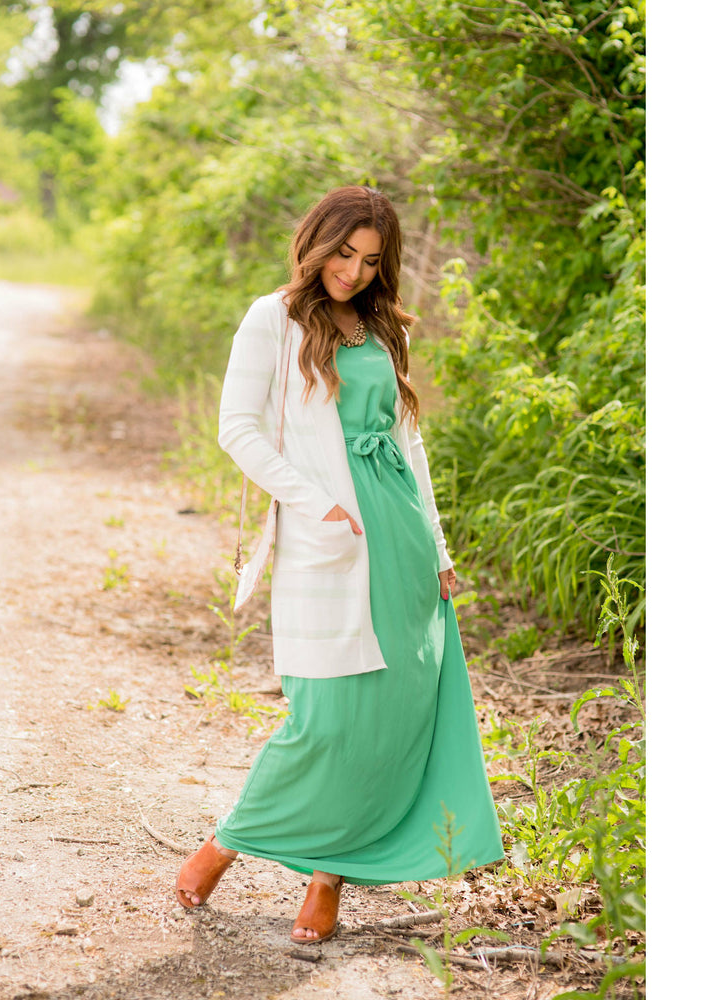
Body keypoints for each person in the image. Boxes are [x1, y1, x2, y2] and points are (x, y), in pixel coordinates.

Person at [175, 185, 503, 944]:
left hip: (400, 539)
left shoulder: (379, 327)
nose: (353, 272)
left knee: (388, 718)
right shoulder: (273, 318)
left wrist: (438, 547)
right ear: (317, 243)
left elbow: (409, 444)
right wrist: (314, 503)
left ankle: (328, 880)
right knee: (323, 720)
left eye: (371, 260)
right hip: (330, 533)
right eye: (344, 254)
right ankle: (227, 842)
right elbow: (237, 428)